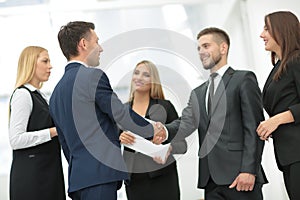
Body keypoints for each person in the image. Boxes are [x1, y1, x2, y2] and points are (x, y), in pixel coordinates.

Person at [49, 21, 166, 200]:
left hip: (79, 179)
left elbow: (65, 141)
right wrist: (151, 130)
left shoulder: (56, 93)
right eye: (97, 41)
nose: (101, 48)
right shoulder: (92, 76)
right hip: (100, 175)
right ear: (83, 44)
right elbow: (119, 113)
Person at [166, 27, 268, 200]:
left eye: (206, 46)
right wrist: (162, 130)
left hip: (240, 177)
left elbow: (253, 128)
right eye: (199, 48)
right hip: (210, 180)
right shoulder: (198, 93)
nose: (201, 52)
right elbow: (185, 123)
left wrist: (249, 170)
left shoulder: (243, 79)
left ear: (223, 48)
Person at [119, 60, 187, 200]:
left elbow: (182, 145)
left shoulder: (165, 107)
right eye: (136, 73)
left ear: (153, 81)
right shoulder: (122, 111)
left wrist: (167, 148)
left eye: (146, 75)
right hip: (134, 180)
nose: (139, 78)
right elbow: (112, 141)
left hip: (162, 178)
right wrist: (120, 138)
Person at [8, 46, 66, 200]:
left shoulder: (42, 97)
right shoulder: (22, 95)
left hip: (48, 173)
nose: (50, 66)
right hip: (33, 179)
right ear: (31, 64)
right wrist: (54, 131)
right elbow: (16, 140)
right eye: (45, 61)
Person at [257, 11, 300, 199]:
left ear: (281, 30)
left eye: (266, 28)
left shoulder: (297, 60)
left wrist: (277, 120)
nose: (261, 34)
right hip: (289, 155)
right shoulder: (280, 66)